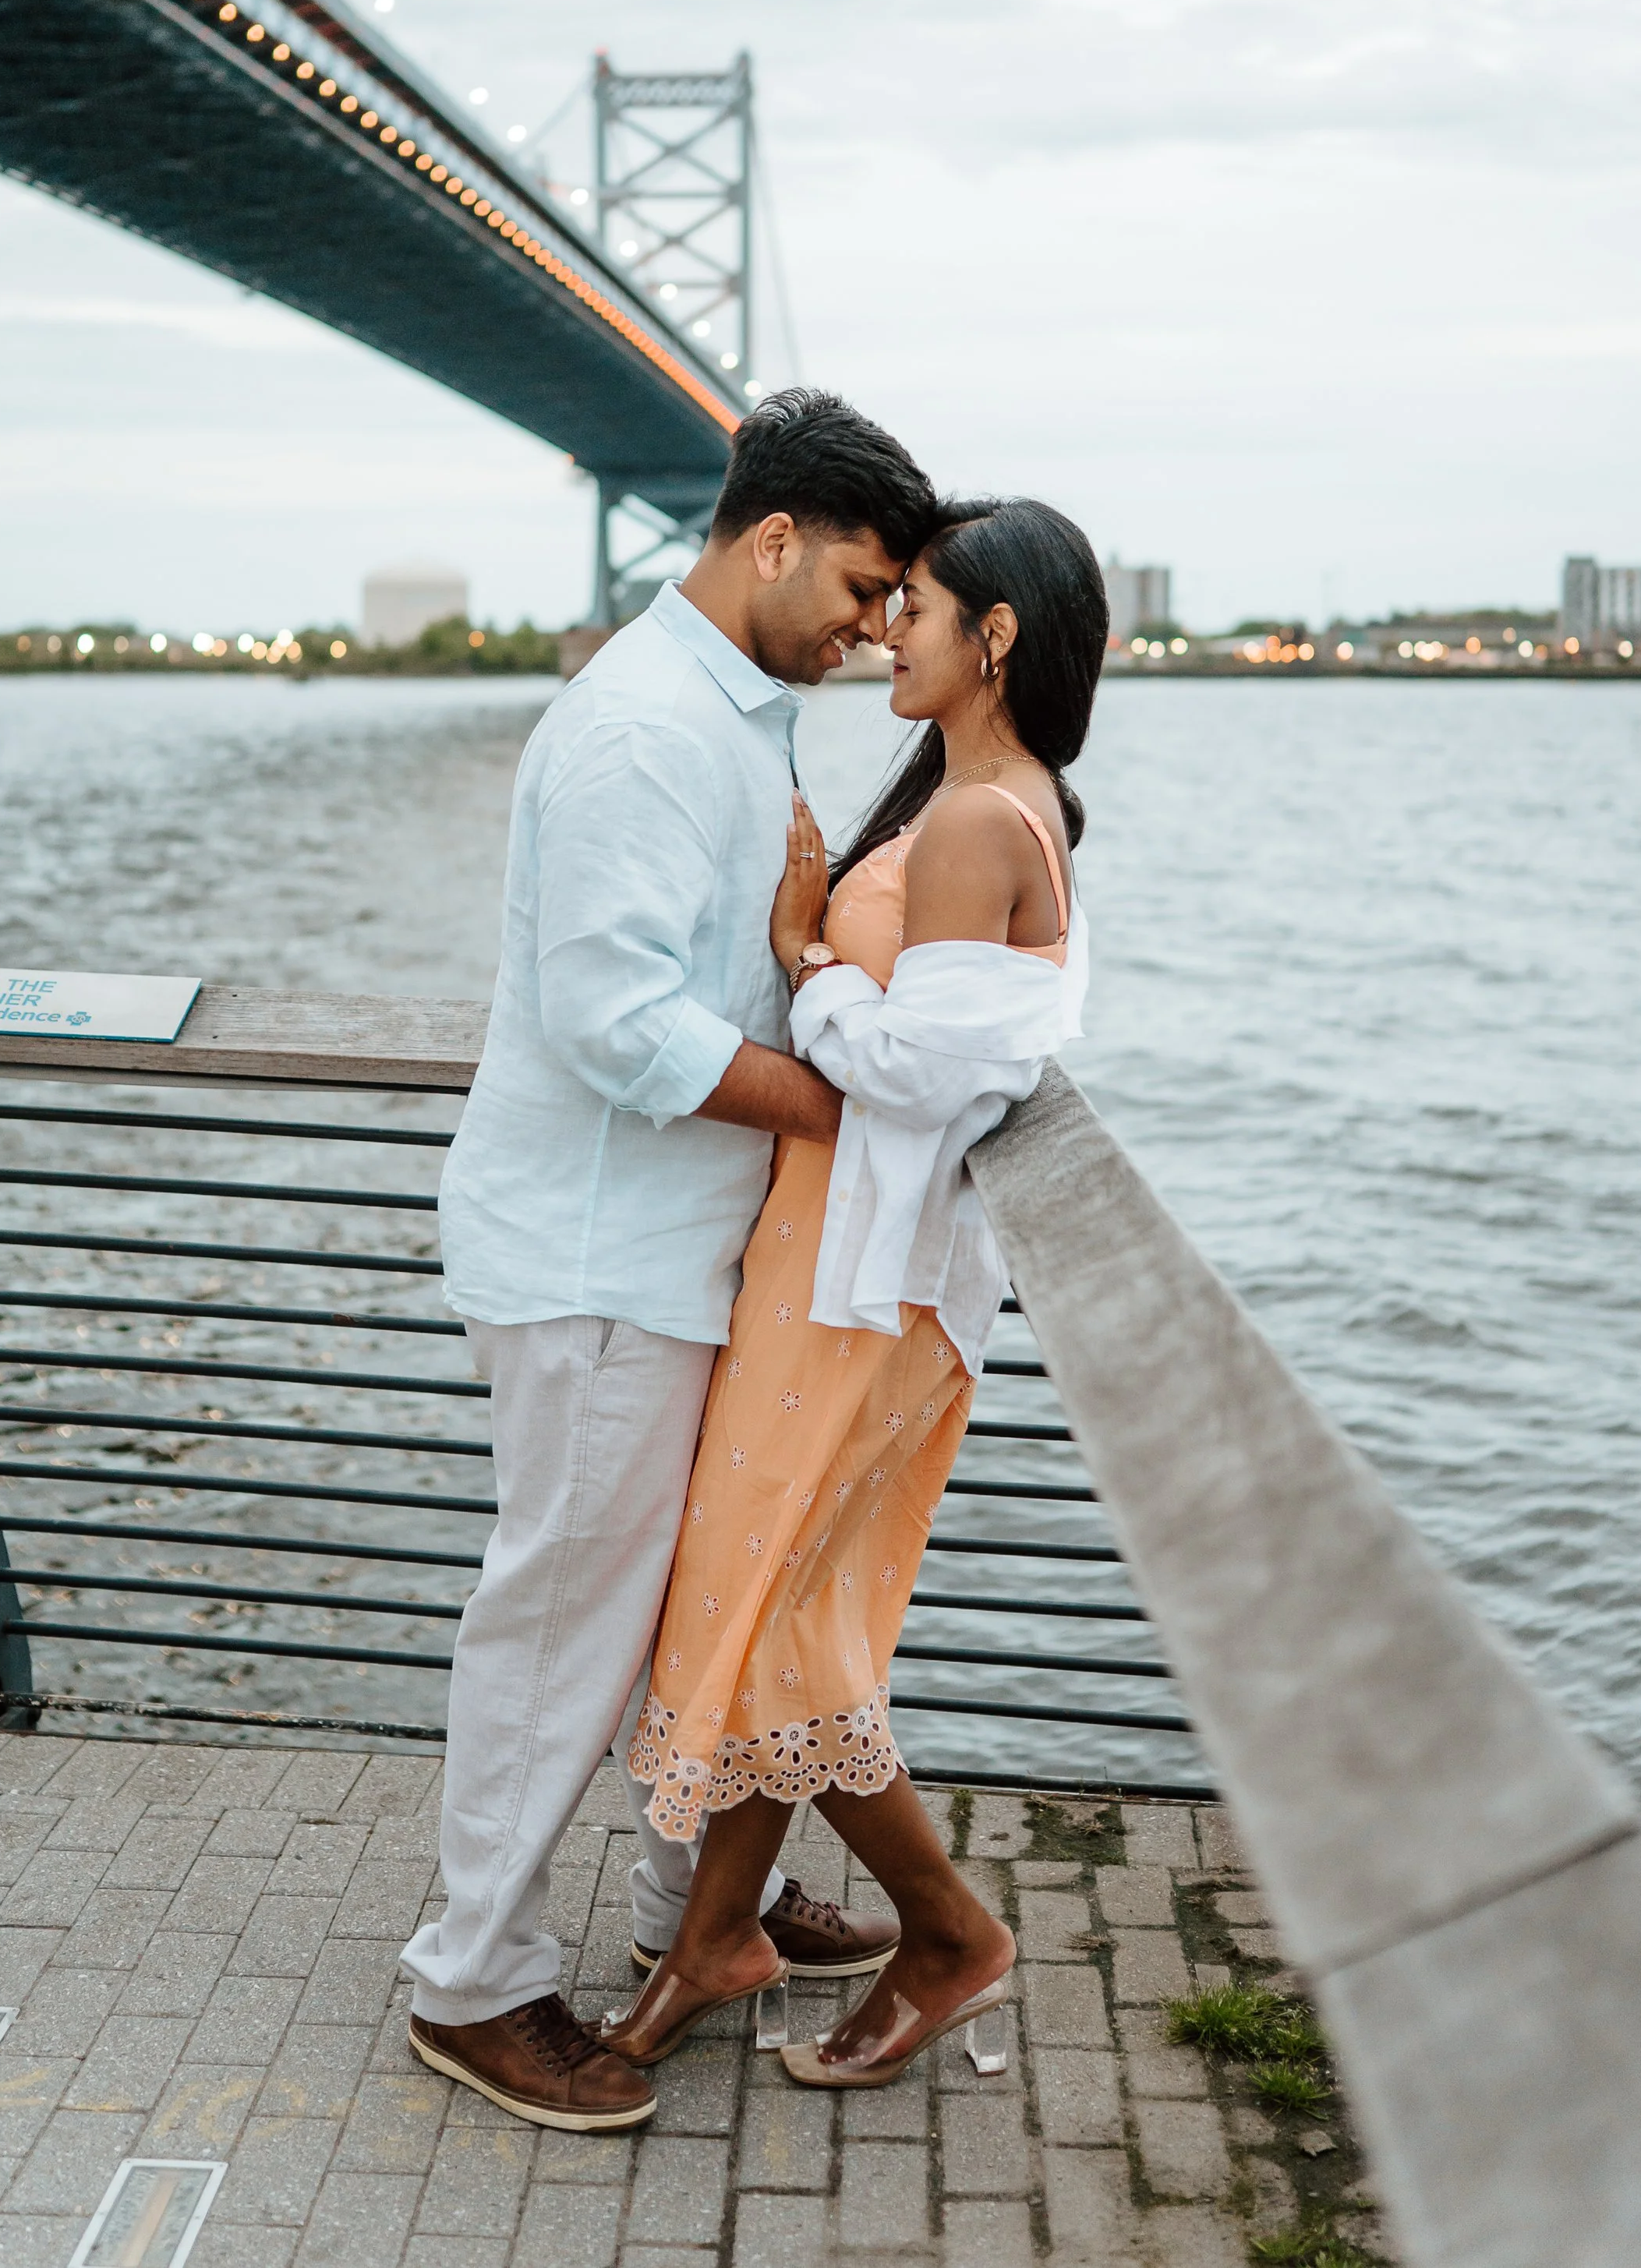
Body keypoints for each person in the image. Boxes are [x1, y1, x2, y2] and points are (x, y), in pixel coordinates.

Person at [399, 390, 939, 2132]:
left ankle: (692, 1910)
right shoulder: (643, 728)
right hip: (593, 1257)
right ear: (768, 539)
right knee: (562, 1625)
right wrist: (845, 1119)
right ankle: (471, 1985)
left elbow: (724, 970)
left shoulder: (732, 713)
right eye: (861, 589)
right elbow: (616, 1022)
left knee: (683, 1613)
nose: (872, 632)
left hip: (672, 1255)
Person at [601, 496, 1108, 2087]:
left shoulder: (976, 822)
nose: (889, 629)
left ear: (995, 638)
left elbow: (918, 1069)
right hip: (840, 1270)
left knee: (777, 1621)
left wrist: (800, 959)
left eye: (921, 608)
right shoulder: (991, 798)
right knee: (780, 1607)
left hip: (861, 1289)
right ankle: (713, 1936)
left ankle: (944, 1930)